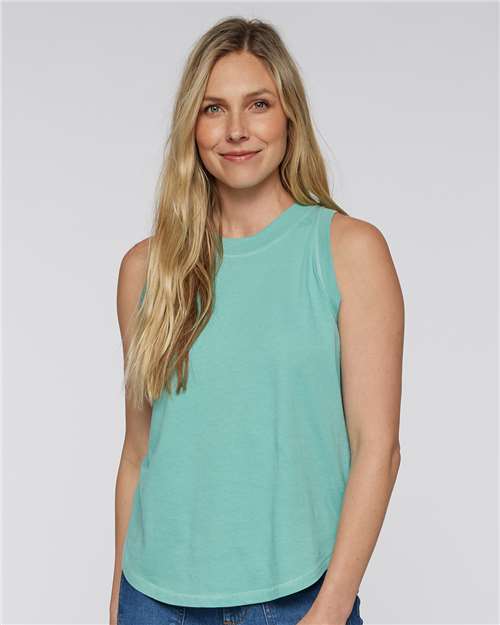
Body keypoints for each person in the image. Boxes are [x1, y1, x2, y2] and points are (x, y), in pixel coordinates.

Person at [109, 16, 404, 625]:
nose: (237, 130)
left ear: (289, 114)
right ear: (192, 125)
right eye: (214, 108)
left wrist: (329, 610)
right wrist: (117, 606)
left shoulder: (348, 251)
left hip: (297, 600)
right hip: (154, 601)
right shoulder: (146, 269)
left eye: (258, 104)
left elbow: (377, 448)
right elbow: (137, 455)